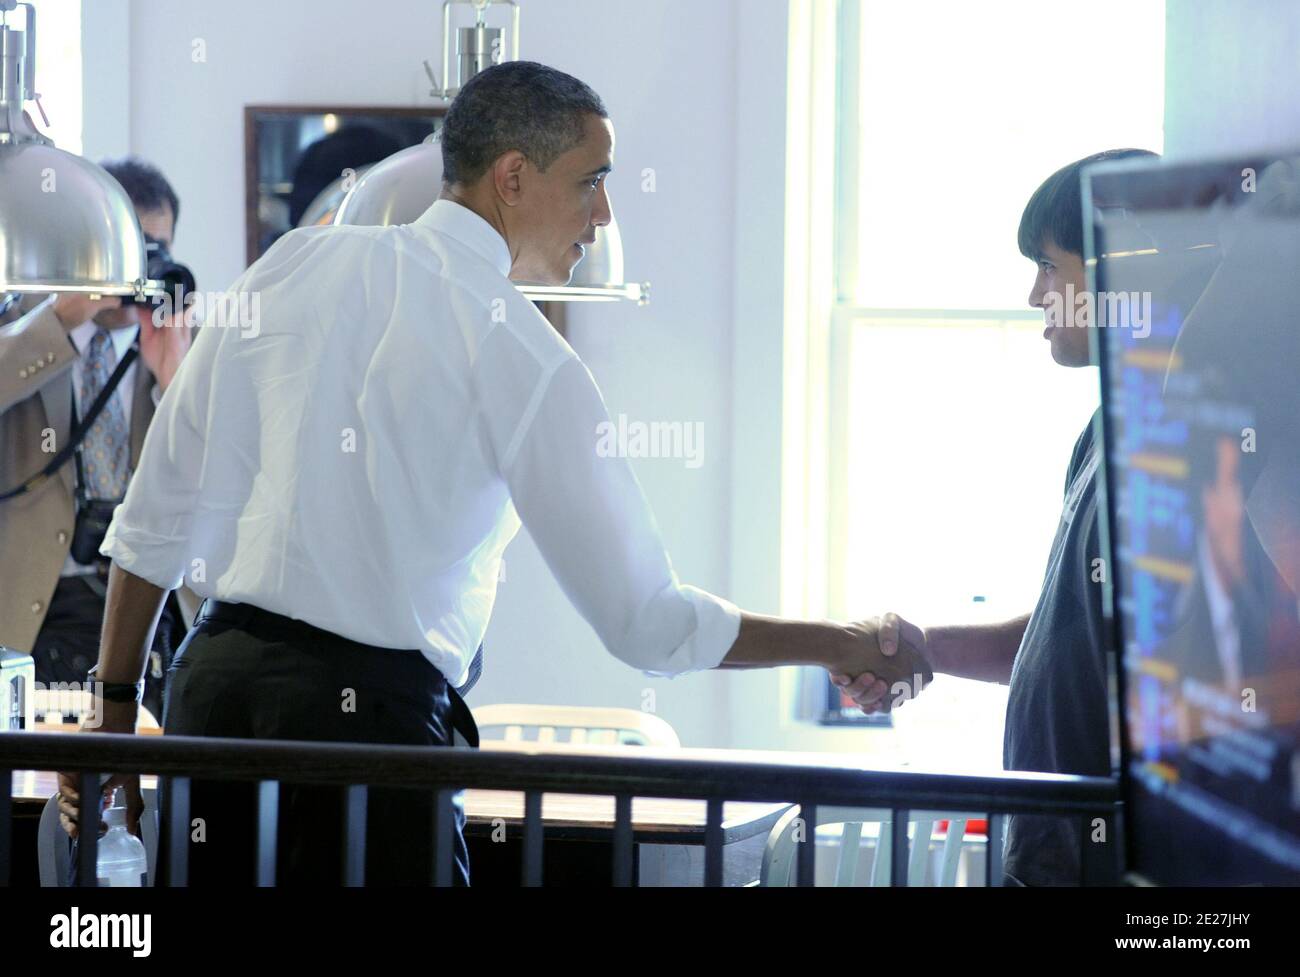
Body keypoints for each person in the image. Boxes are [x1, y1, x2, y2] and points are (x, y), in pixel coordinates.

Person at [57, 62, 929, 885]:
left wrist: (112, 732)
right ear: (512, 177)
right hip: (367, 736)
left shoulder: (291, 266)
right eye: (593, 181)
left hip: (211, 706)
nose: (605, 219)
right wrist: (835, 643)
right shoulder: (522, 355)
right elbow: (647, 624)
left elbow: (154, 515)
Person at [833, 148, 1158, 885]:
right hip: (1047, 852)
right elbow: (1064, 637)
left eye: (1049, 264)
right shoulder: (1104, 432)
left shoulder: (1181, 445)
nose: (1035, 293)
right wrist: (925, 648)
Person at [0, 157, 196, 724]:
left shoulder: (185, 344)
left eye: (155, 251)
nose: (139, 272)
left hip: (146, 608)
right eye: (131, 251)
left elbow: (219, 478)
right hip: (37, 606)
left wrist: (174, 380)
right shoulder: (27, 326)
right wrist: (60, 321)